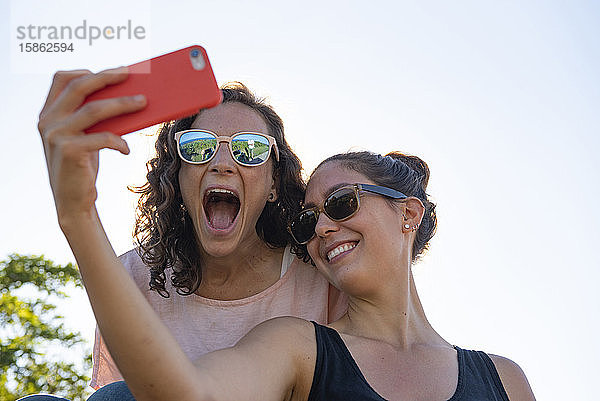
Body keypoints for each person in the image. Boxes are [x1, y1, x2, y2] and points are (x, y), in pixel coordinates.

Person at [39, 94, 538, 401]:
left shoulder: (504, 379)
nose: (320, 228)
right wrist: (79, 217)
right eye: (308, 221)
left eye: (341, 204)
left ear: (409, 214)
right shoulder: (298, 346)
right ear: (177, 171)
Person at [24, 68, 345, 400]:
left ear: (273, 184)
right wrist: (77, 209)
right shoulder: (133, 276)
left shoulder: (322, 275)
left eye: (249, 149)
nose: (223, 163)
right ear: (177, 177)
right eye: (198, 147)